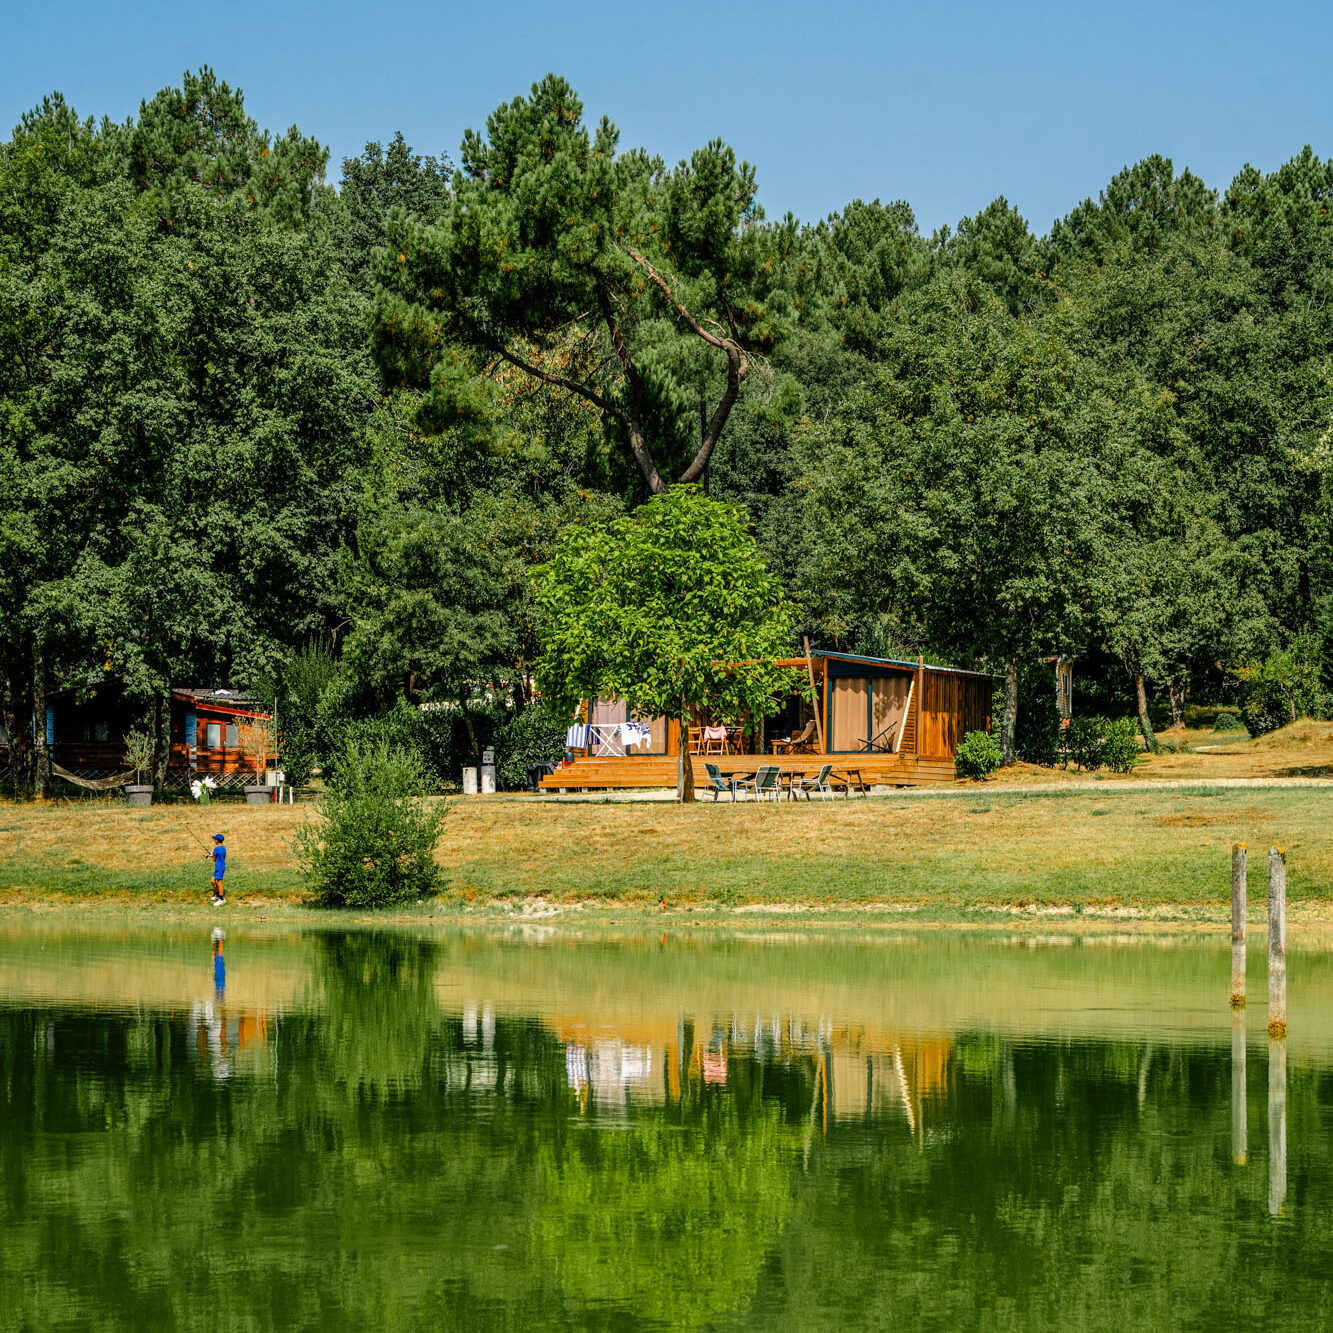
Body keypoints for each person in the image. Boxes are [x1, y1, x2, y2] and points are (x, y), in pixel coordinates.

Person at [209, 833, 227, 905]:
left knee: (219, 883)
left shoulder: (216, 849)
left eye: (214, 839)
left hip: (219, 868)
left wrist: (212, 856)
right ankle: (217, 894)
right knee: (212, 881)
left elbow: (213, 860)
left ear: (216, 841)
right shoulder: (223, 848)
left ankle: (221, 899)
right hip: (219, 867)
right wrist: (213, 855)